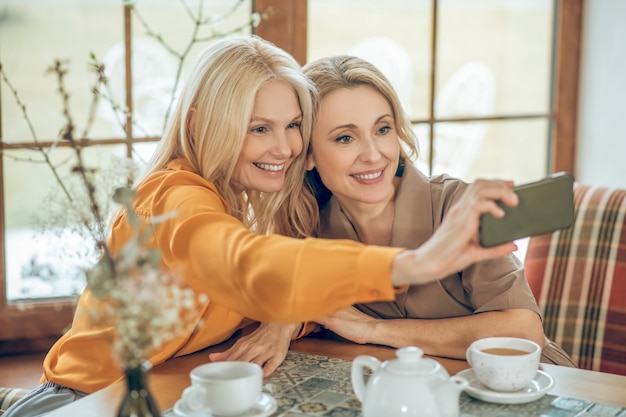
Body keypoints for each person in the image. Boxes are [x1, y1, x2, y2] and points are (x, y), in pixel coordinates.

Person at [4, 38, 521, 417]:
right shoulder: (176, 199)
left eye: (293, 125)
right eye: (258, 128)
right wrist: (414, 264)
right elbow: (240, 264)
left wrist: (287, 319)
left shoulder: (248, 204)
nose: (285, 147)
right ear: (199, 123)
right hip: (85, 404)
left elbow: (281, 279)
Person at [210, 54, 575, 375]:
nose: (374, 154)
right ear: (306, 155)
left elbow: (523, 332)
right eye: (345, 138)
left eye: (382, 130)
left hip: (536, 388)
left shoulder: (457, 205)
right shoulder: (308, 230)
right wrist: (283, 319)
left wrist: (372, 330)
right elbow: (290, 294)